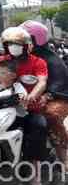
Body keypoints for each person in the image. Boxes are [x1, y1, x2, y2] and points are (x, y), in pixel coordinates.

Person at [0, 27, 48, 185]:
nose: (13, 47)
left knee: (38, 126)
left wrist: (32, 95)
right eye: (10, 44)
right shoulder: (1, 61)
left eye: (17, 43)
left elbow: (41, 81)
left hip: (29, 109)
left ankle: (35, 174)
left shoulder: (38, 62)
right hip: (3, 108)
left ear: (26, 45)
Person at [21, 20, 68, 165]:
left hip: (57, 98)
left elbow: (59, 83)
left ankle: (63, 156)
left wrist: (48, 95)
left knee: (51, 115)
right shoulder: (21, 58)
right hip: (28, 98)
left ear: (36, 40)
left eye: (25, 40)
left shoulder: (52, 60)